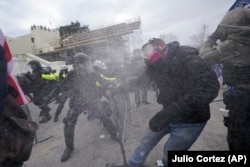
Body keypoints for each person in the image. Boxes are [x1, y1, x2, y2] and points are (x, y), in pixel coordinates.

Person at [127, 38, 220, 167]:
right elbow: (142, 80)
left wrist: (170, 112)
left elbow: (208, 88)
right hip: (168, 113)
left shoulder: (188, 58)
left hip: (190, 121)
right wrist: (120, 87)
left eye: (151, 51)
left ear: (162, 45)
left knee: (170, 153)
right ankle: (132, 164)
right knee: (147, 139)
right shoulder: (157, 64)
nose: (151, 57)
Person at [199, 4, 250, 150]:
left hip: (243, 99)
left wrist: (213, 36)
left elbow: (204, 56)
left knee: (239, 140)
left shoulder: (234, 45)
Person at [59, 53, 119, 162]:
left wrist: (111, 85)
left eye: (85, 63)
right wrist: (69, 90)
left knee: (104, 116)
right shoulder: (72, 74)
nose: (84, 65)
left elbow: (103, 82)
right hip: (77, 101)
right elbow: (62, 85)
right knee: (68, 122)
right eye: (81, 64)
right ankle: (69, 147)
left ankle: (114, 134)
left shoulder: (92, 73)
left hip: (92, 99)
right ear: (76, 64)